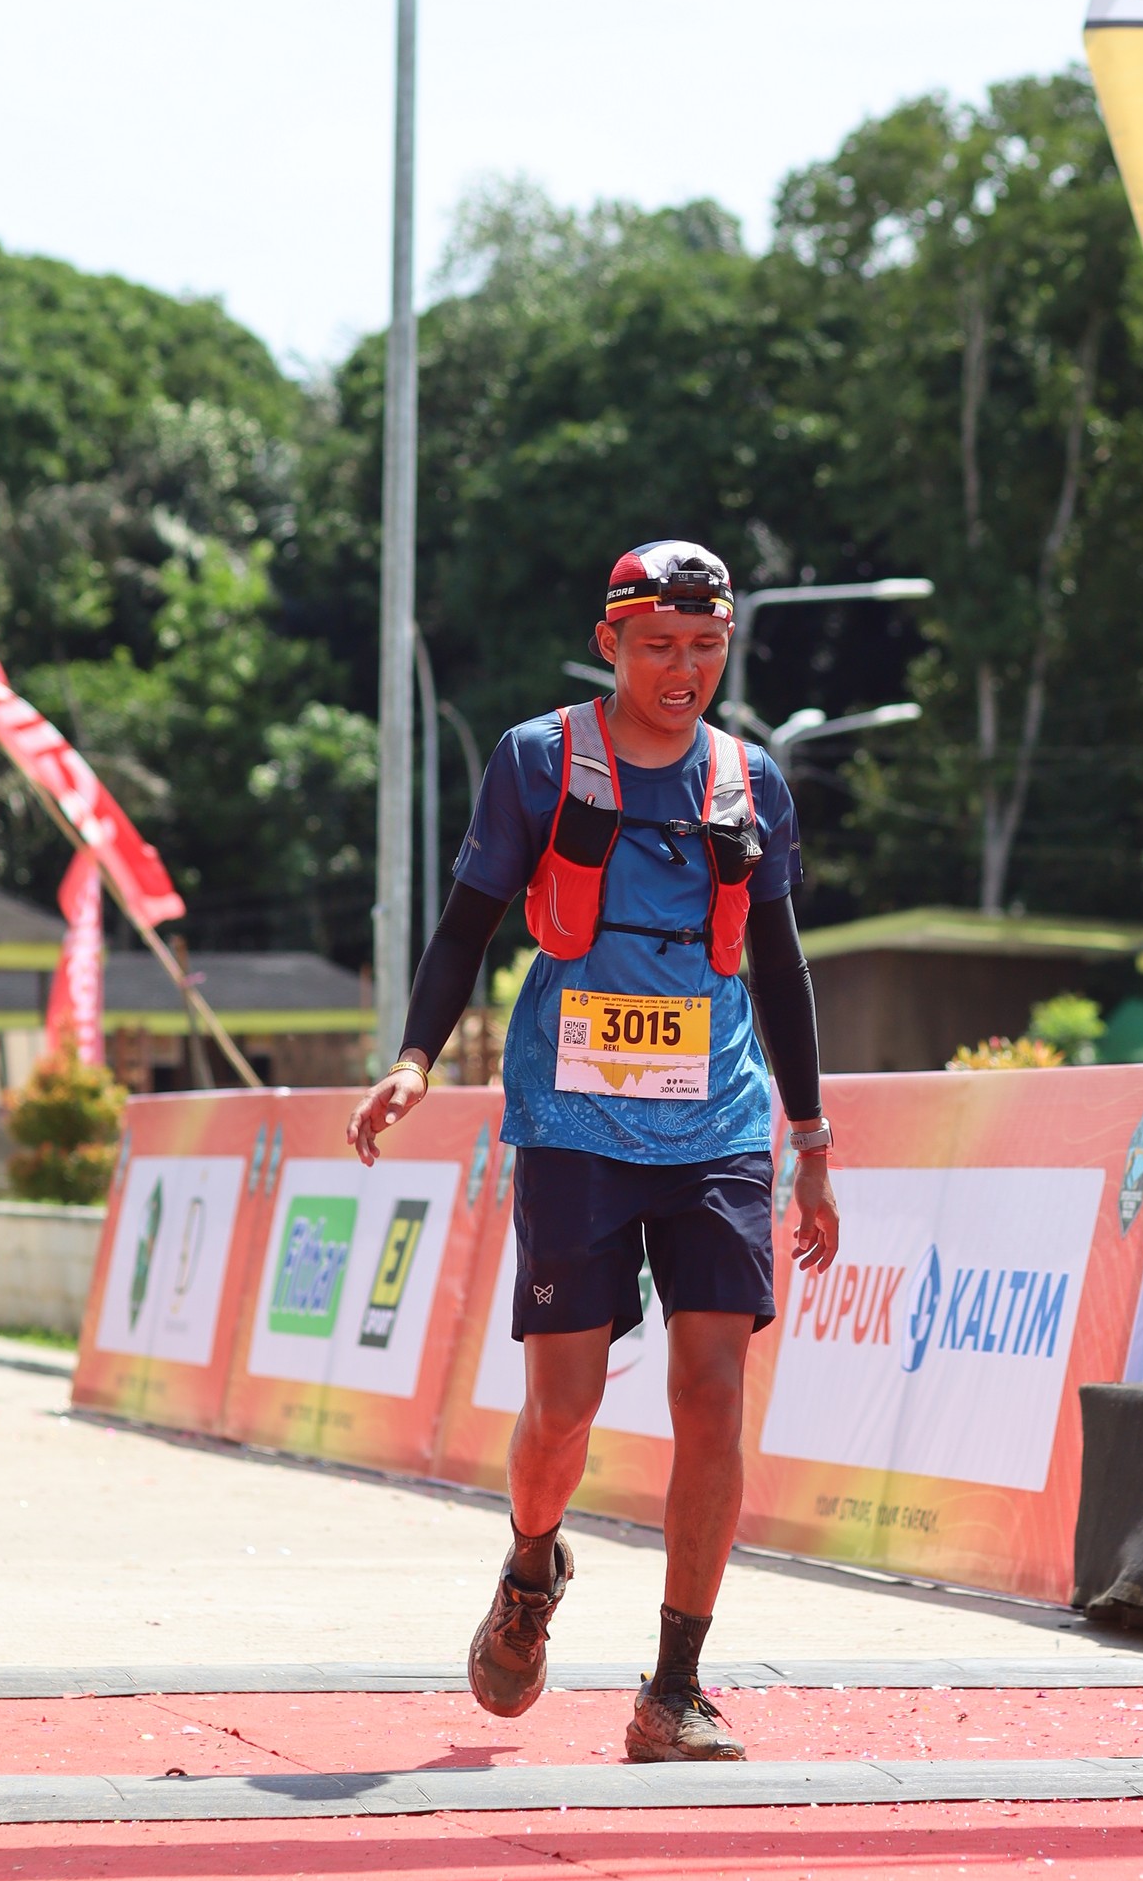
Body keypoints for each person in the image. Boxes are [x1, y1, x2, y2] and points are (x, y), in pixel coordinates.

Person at [344, 539, 841, 1766]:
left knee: (713, 1392)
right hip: (574, 1118)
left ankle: (675, 1688)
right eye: (659, 646)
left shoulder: (751, 781)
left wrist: (811, 1138)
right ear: (609, 643)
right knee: (564, 1406)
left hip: (717, 1120)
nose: (684, 670)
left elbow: (781, 965)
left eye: (707, 648)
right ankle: (531, 1566)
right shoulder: (537, 760)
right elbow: (466, 926)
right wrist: (414, 1059)